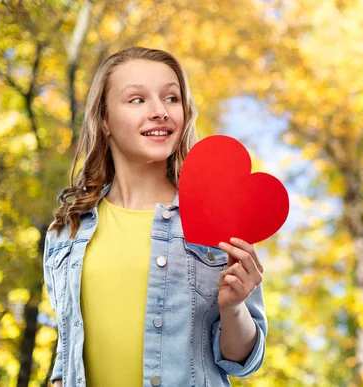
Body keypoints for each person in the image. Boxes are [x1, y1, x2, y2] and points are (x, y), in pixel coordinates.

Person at [43, 47, 267, 387]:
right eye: (137, 100)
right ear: (104, 120)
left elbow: (243, 361)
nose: (160, 111)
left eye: (171, 98)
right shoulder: (66, 231)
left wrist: (234, 307)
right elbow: (67, 352)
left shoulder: (218, 219)